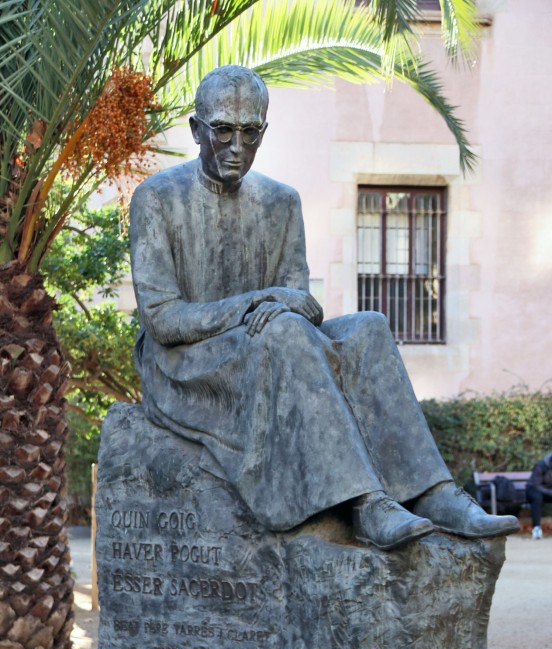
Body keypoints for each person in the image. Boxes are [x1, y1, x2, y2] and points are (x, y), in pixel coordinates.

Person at [129, 65, 519, 551]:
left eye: (250, 132)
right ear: (196, 130)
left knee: (369, 327)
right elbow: (162, 319)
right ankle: (366, 503)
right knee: (285, 332)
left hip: (264, 345)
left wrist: (283, 304)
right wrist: (260, 304)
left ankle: (432, 491)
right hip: (184, 365)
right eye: (222, 130)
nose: (235, 145)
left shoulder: (280, 202)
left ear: (263, 132)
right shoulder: (157, 199)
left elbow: (299, 299)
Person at [526, 452, 552, 539]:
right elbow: (536, 485)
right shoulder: (541, 466)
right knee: (537, 498)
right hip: (533, 490)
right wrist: (549, 492)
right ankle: (536, 528)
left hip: (547, 491)